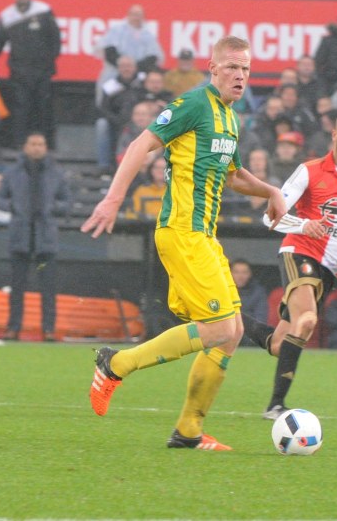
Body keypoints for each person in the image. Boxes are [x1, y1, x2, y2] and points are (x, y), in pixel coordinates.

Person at [83, 36, 287, 451]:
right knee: (218, 330)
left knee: (230, 333)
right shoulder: (194, 104)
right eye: (232, 67)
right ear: (212, 68)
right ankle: (116, 364)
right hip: (181, 231)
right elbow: (142, 143)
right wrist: (114, 197)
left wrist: (272, 192)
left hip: (204, 238)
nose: (240, 75)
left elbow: (234, 175)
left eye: (246, 69)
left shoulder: (231, 119)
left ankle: (188, 431)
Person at [239, 112, 337, 419]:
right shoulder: (308, 171)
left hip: (329, 270)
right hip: (299, 251)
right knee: (307, 321)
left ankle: (230, 319)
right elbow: (270, 217)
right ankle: (275, 406)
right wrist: (304, 225)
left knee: (280, 344)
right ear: (334, 135)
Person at [0, 132, 68, 341]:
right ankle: (13, 327)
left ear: (45, 147)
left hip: (45, 236)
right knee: (17, 288)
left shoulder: (56, 173)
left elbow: (67, 202)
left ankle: (48, 329)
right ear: (25, 147)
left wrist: (52, 207)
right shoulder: (12, 173)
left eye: (40, 144)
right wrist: (15, 207)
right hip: (21, 235)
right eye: (33, 144)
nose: (37, 148)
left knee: (48, 288)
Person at [0, 0, 61, 148]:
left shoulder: (43, 11)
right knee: (21, 110)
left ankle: (46, 146)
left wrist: (49, 61)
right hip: (19, 72)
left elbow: (55, 39)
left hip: (42, 71)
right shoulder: (7, 15)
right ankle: (19, 145)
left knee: (43, 109)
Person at [95, 4, 164, 104]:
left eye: (139, 15)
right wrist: (125, 66)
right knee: (108, 101)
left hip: (138, 78)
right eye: (134, 14)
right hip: (114, 75)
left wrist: (134, 69)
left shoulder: (147, 34)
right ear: (128, 15)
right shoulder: (116, 30)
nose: (136, 18)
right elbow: (109, 52)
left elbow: (153, 57)